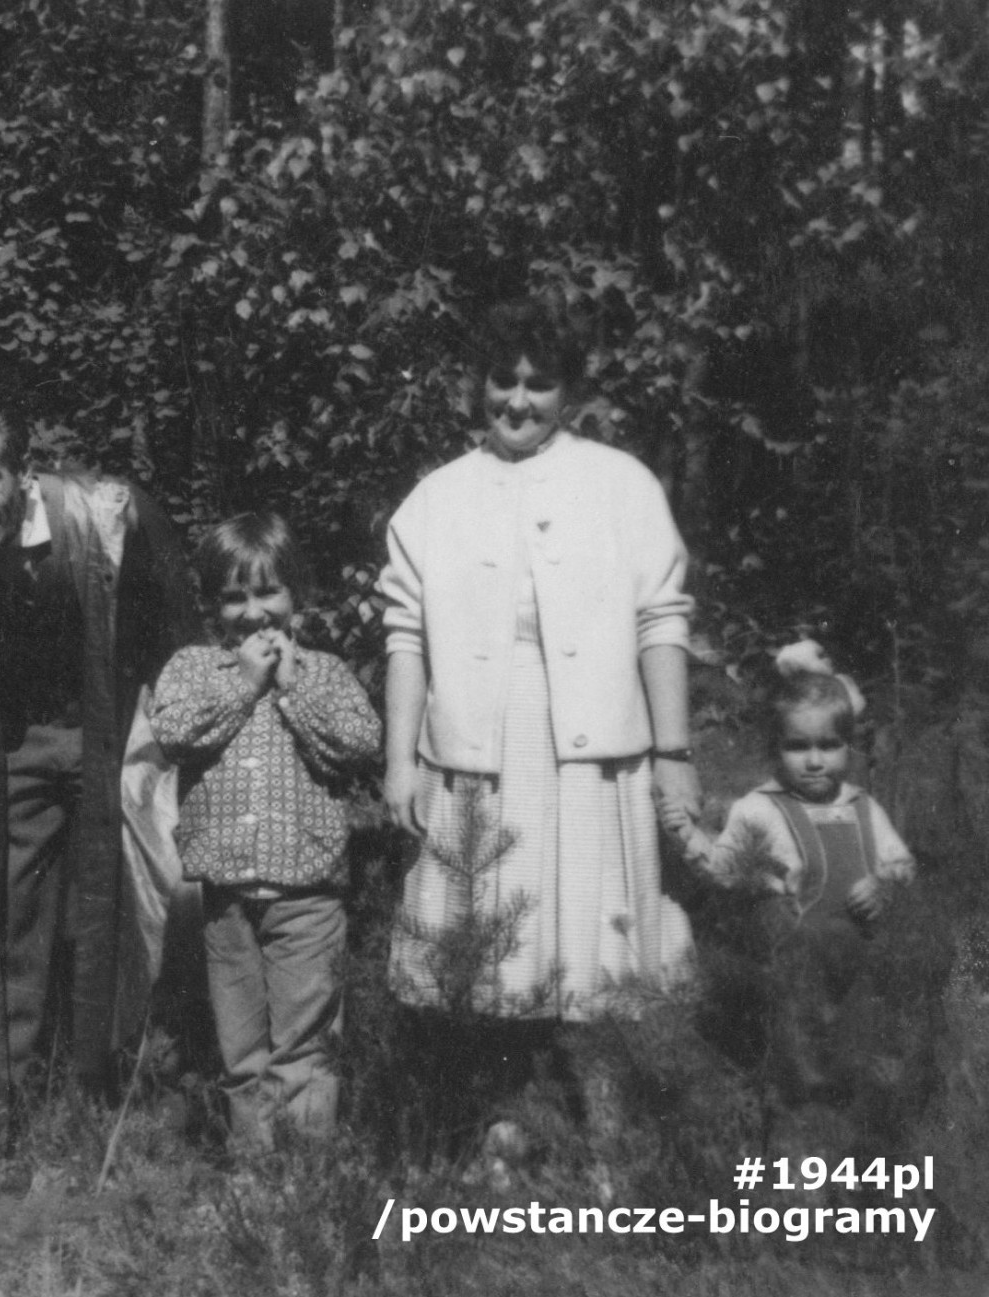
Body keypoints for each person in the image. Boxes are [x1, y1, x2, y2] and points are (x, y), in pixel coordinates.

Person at [379, 299, 700, 1156]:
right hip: (480, 752)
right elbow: (405, 636)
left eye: (540, 383)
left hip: (591, 756)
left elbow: (661, 618)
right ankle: (503, 1131)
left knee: (595, 955)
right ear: (476, 386)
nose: (518, 401)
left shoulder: (621, 484)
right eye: (503, 381)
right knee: (492, 952)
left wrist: (673, 753)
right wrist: (400, 761)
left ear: (570, 393)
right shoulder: (436, 498)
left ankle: (607, 1139)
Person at [0, 395, 197, 1112]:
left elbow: (182, 634)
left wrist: (177, 744)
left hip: (118, 740)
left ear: (23, 471)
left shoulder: (111, 519)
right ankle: (10, 1103)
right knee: (10, 914)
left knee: (137, 903)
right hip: (14, 753)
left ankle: (130, 1089)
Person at [149, 514, 380, 1148]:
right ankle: (255, 1184)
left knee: (303, 1049)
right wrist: (246, 684)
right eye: (234, 596)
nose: (253, 611)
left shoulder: (325, 672)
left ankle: (304, 1187)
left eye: (268, 591)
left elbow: (359, 743)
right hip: (224, 901)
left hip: (307, 896)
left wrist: (289, 687)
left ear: (296, 594)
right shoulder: (195, 669)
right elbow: (172, 734)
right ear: (213, 605)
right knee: (241, 1052)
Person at [664, 648, 915, 1100]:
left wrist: (885, 885)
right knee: (799, 1050)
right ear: (775, 749)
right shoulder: (760, 808)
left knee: (865, 1046)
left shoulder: (862, 806)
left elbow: (899, 865)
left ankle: (857, 1107)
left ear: (847, 745)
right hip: (793, 959)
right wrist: (688, 834)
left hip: (859, 957)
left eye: (829, 745)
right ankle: (797, 1109)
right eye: (798, 747)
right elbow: (723, 870)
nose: (815, 761)